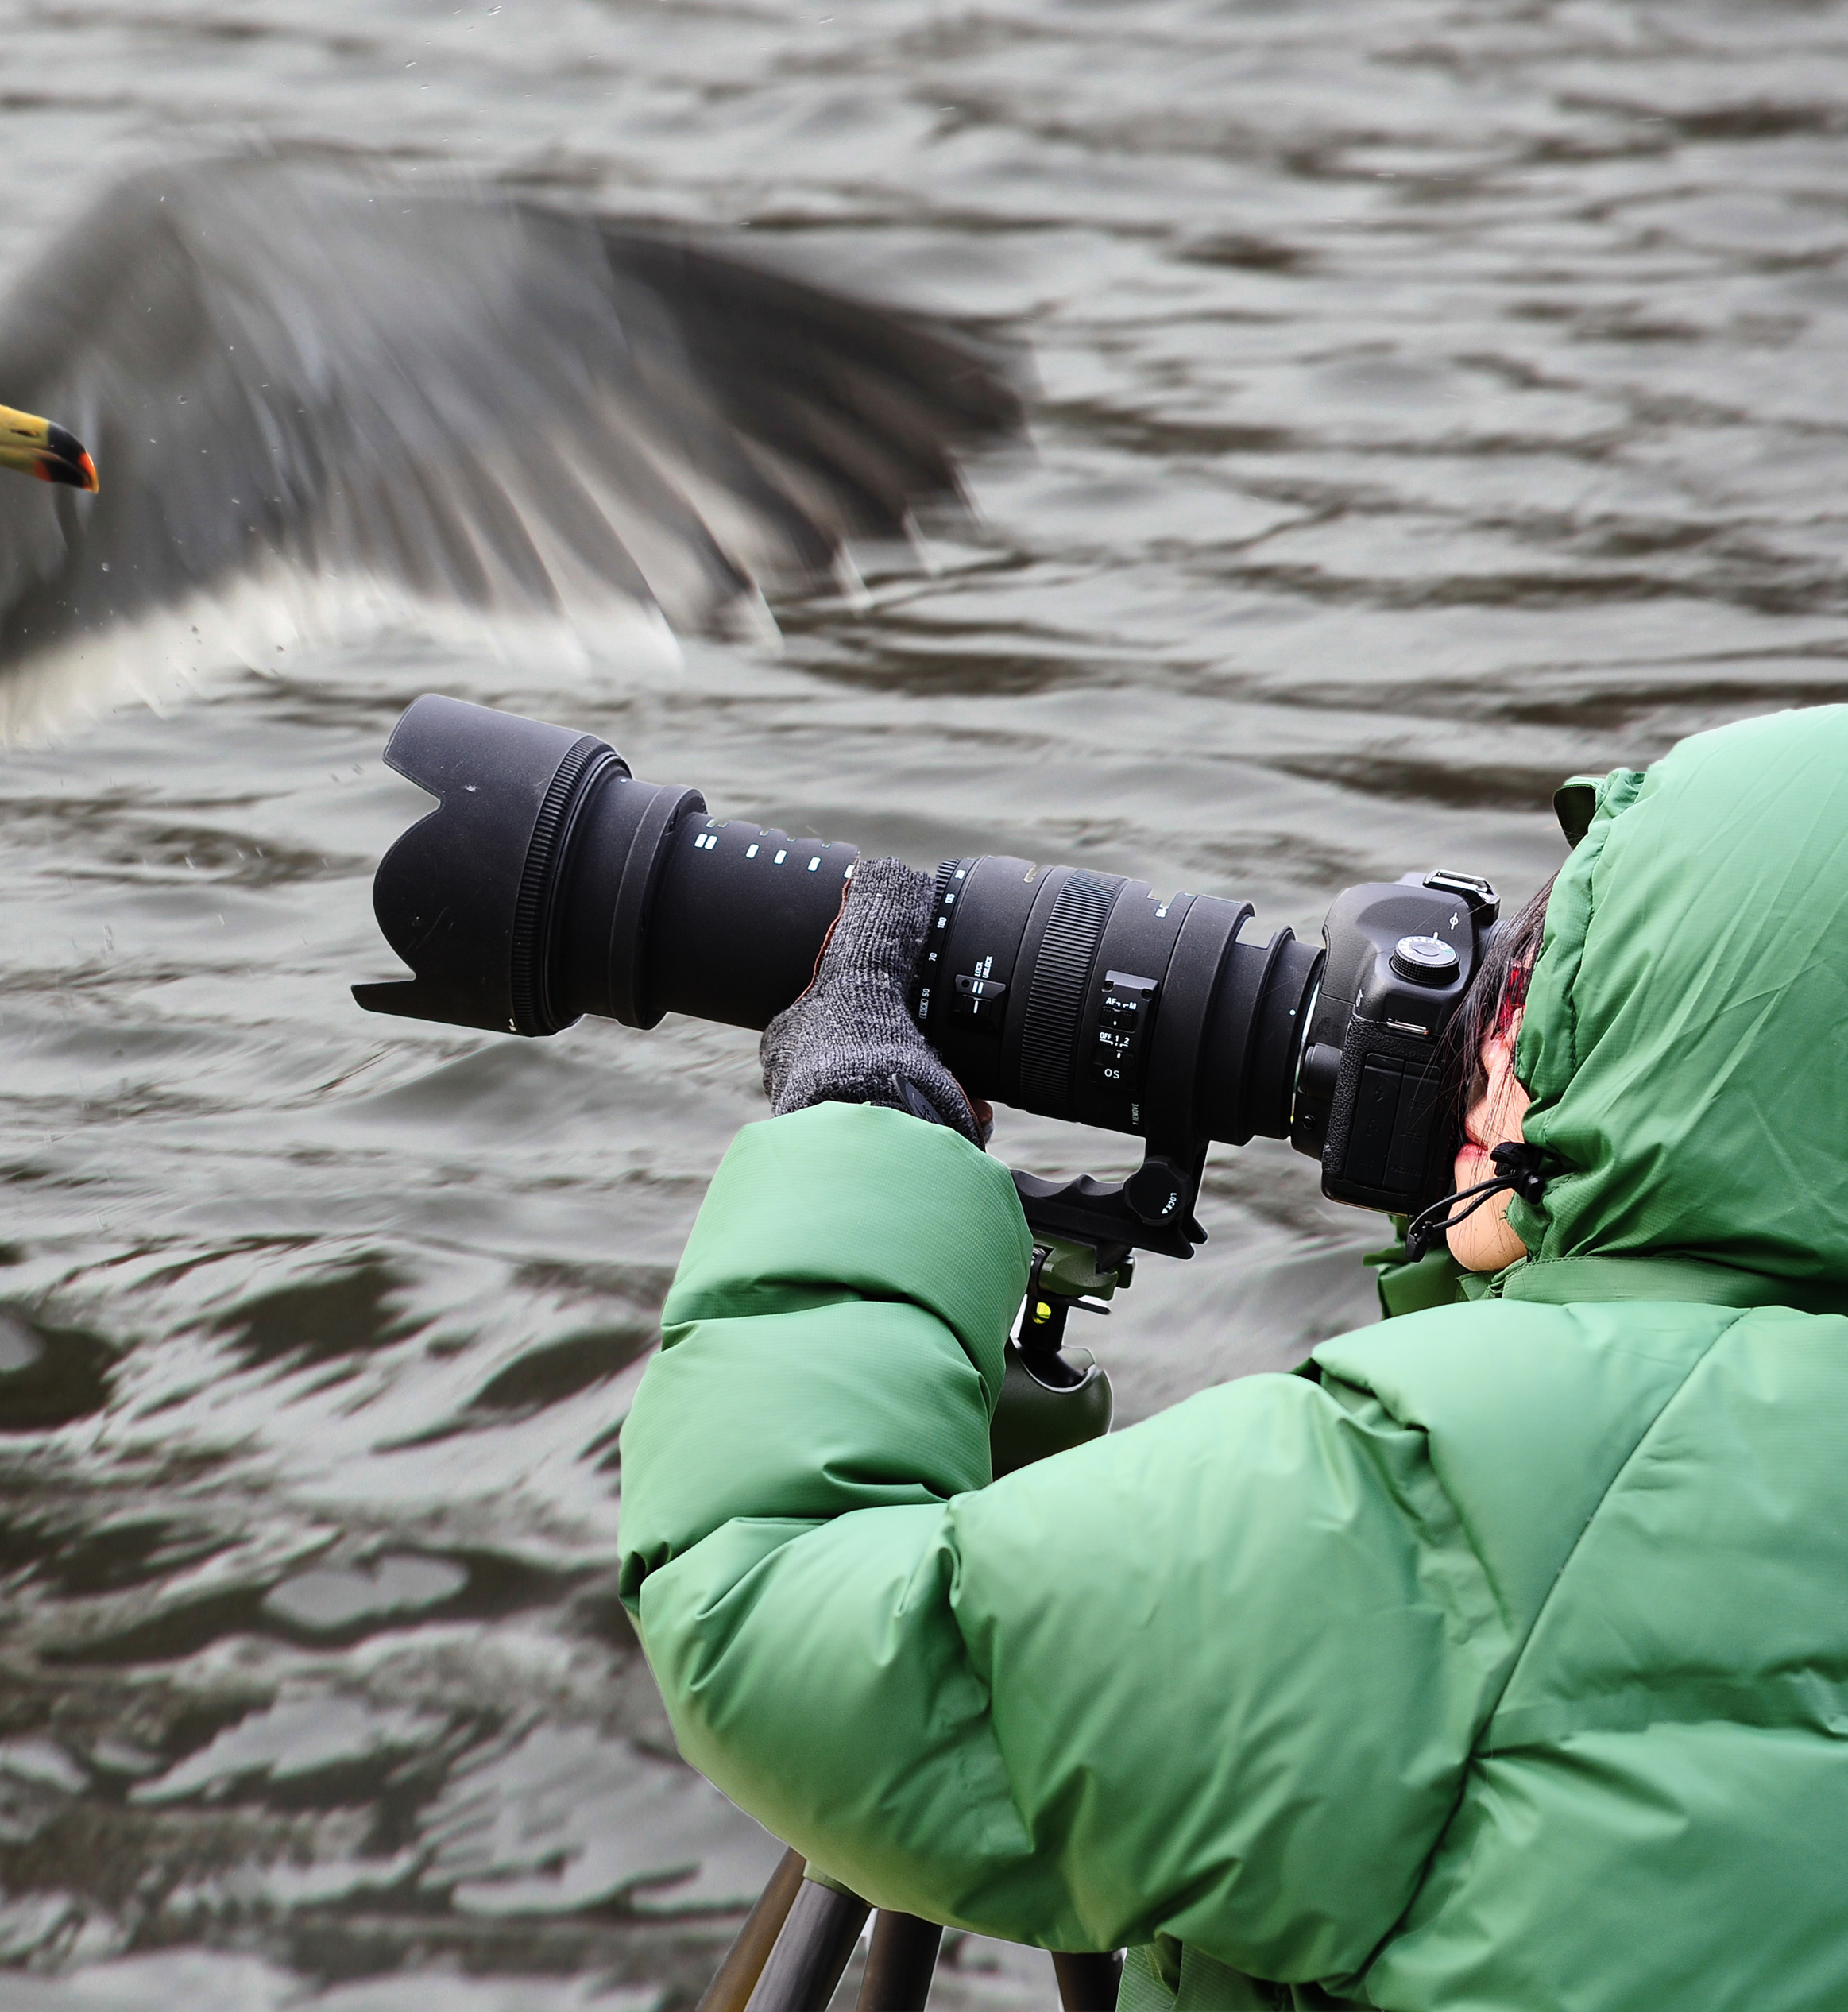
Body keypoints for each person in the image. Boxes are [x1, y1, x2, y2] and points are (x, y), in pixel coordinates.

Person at [617, 706, 1848, 2010]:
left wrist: (862, 1120)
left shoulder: (1461, 1503)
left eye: (1552, 984)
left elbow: (774, 1621)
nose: (1486, 1037)